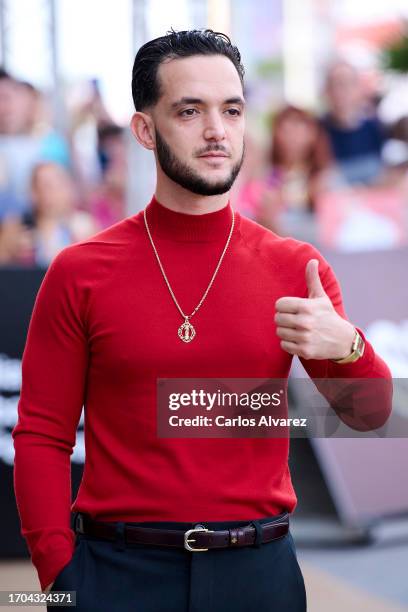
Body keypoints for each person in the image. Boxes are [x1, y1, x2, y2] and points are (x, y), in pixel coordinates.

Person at [12, 29, 392, 611]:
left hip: (258, 574)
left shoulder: (297, 269)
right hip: (115, 574)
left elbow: (371, 415)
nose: (216, 130)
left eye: (231, 110)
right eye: (190, 111)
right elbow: (42, 434)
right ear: (145, 129)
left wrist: (348, 348)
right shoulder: (80, 271)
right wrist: (60, 578)